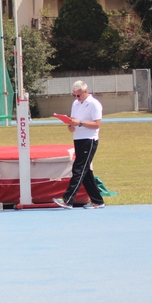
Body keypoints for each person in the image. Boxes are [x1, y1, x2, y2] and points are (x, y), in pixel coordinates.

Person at [53, 81, 105, 210]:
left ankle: (68, 199)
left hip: (89, 139)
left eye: (78, 95)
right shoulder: (75, 104)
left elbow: (97, 124)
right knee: (85, 171)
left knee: (79, 169)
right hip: (78, 138)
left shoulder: (94, 104)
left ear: (85, 92)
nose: (76, 98)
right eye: (74, 95)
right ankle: (98, 200)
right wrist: (71, 125)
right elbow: (74, 122)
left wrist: (79, 123)